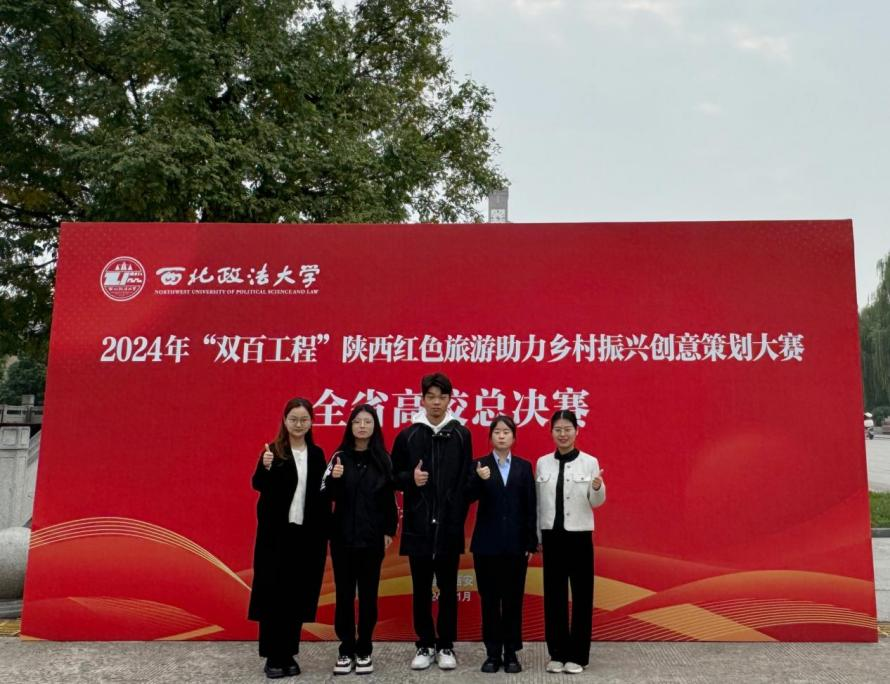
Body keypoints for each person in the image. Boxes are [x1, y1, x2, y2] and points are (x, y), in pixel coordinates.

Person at [391, 372, 473, 671]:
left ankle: (446, 644)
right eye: (431, 397)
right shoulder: (409, 435)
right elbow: (393, 476)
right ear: (422, 400)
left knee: (448, 589)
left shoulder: (461, 434)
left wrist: (456, 513)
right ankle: (425, 644)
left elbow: (466, 480)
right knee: (421, 589)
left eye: (442, 397)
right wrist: (410, 479)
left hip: (449, 527)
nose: (436, 402)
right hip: (419, 526)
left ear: (450, 400)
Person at [248, 398, 330, 679]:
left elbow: (322, 494)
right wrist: (265, 466)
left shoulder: (317, 454)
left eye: (304, 419)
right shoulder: (273, 451)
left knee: (296, 594)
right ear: (284, 420)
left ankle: (289, 652)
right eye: (293, 419)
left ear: (311, 422)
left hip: (305, 537)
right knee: (274, 594)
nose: (298, 424)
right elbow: (258, 484)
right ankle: (273, 655)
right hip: (276, 538)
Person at [321, 404, 398, 676]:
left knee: (368, 596)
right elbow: (324, 494)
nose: (362, 426)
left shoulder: (383, 458)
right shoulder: (339, 457)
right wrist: (335, 479)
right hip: (342, 538)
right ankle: (346, 649)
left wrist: (389, 530)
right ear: (350, 426)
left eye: (367, 421)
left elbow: (389, 499)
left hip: (371, 539)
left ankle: (364, 648)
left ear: (375, 426)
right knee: (344, 596)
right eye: (357, 421)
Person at [535, 409, 605, 675]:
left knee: (582, 596)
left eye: (567, 429)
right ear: (551, 432)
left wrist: (597, 487)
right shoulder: (543, 463)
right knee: (554, 596)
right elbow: (539, 503)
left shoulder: (590, 462)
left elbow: (596, 502)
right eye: (558, 430)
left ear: (577, 431)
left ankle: (578, 655)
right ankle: (557, 653)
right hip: (552, 537)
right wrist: (537, 536)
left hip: (579, 536)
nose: (562, 434)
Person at [466, 415, 537, 674]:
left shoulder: (523, 467)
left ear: (514, 437)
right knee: (489, 601)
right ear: (490, 437)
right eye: (497, 432)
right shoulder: (479, 465)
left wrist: (531, 542)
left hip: (516, 546)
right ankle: (492, 654)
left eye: (506, 432)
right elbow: (466, 497)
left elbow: (530, 505)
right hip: (486, 546)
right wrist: (478, 479)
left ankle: (511, 653)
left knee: (512, 601)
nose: (502, 436)